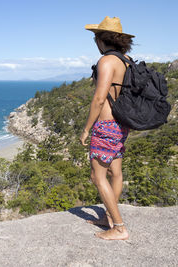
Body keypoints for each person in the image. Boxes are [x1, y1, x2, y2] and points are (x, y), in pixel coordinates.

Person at [80, 16, 134, 240]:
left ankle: (119, 227)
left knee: (98, 176)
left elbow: (99, 99)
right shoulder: (127, 60)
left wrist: (86, 129)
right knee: (116, 172)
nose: (95, 42)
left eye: (96, 38)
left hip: (105, 125)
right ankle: (109, 218)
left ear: (101, 39)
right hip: (121, 125)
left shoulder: (106, 62)